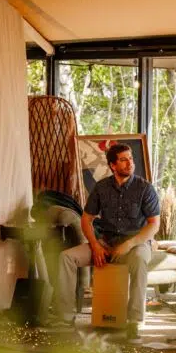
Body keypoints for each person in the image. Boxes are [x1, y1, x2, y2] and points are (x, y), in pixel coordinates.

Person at [57, 143, 160, 341]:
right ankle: (65, 317)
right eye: (124, 160)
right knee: (66, 257)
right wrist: (95, 245)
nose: (130, 163)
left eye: (131, 158)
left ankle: (134, 321)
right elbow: (86, 219)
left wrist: (128, 244)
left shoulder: (145, 188)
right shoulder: (101, 187)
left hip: (136, 244)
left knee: (139, 260)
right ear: (113, 165)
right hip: (106, 243)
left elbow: (154, 225)